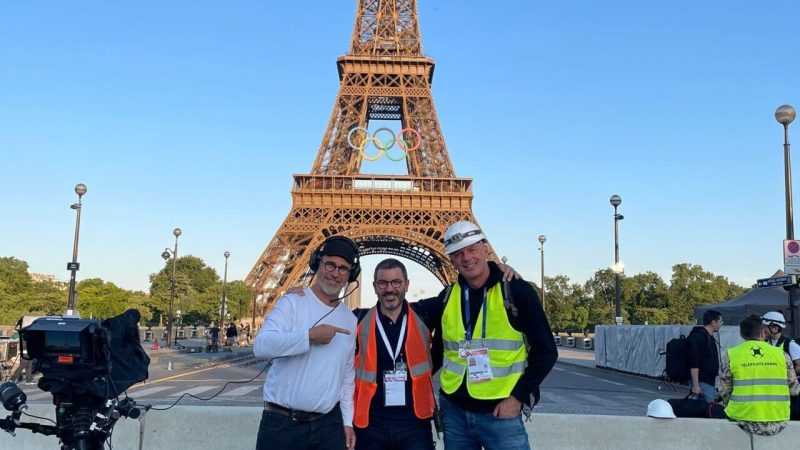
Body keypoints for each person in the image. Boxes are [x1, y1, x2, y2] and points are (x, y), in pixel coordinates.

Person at [435, 221, 558, 450]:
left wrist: (518, 397)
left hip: (501, 413)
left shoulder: (516, 291)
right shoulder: (447, 297)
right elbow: (434, 349)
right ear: (451, 259)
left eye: (472, 249)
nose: (467, 257)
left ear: (485, 248)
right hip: (455, 411)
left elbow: (547, 351)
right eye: (458, 253)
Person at [253, 235, 360, 450]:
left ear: (350, 275)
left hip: (328, 426)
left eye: (343, 269)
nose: (335, 273)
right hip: (283, 425)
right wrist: (309, 335)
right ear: (316, 264)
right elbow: (261, 346)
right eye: (330, 264)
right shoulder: (292, 302)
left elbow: (347, 378)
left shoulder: (350, 319)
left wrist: (347, 422)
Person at [353, 258, 435, 450]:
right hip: (370, 425)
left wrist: (496, 271)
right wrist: (302, 295)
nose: (390, 289)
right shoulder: (357, 319)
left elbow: (467, 288)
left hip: (415, 424)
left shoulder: (425, 314)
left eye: (396, 282)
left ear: (406, 284)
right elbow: (323, 310)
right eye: (383, 283)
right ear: (374, 286)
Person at [720, 314, 800, 436]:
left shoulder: (730, 355)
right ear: (762, 333)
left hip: (743, 420)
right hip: (778, 420)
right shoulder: (782, 355)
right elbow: (795, 390)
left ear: (742, 334)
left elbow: (725, 392)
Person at [762, 311, 800, 419]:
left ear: (775, 328)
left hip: (789, 392)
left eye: (765, 326)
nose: (763, 329)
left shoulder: (790, 344)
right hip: (772, 390)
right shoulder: (765, 344)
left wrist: (783, 372)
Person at [686, 309, 722, 403]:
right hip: (702, 382)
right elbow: (694, 362)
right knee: (705, 413)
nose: (721, 324)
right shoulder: (699, 337)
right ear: (713, 322)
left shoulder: (708, 337)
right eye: (720, 321)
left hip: (708, 382)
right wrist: (696, 385)